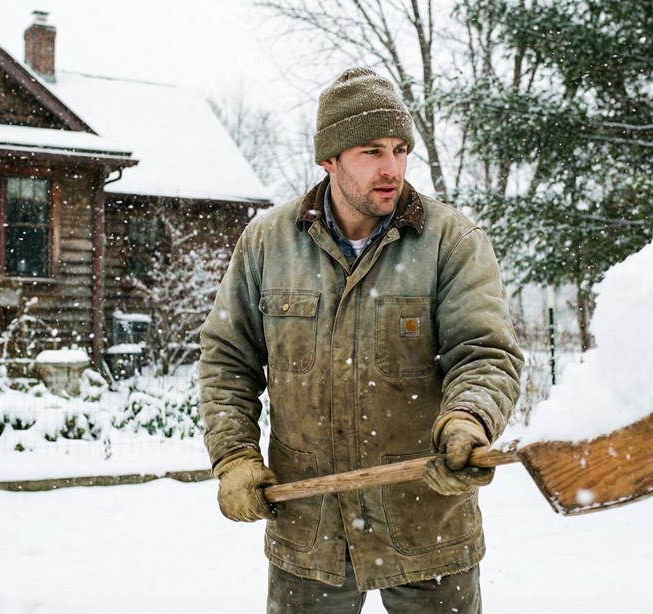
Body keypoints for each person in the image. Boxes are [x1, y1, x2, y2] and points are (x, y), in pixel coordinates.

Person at [199, 67, 524, 613]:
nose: (391, 168)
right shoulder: (267, 244)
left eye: (400, 149)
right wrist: (233, 455)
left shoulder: (451, 241)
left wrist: (468, 419)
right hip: (310, 529)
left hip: (427, 521)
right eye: (371, 151)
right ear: (329, 160)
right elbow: (228, 359)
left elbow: (485, 353)